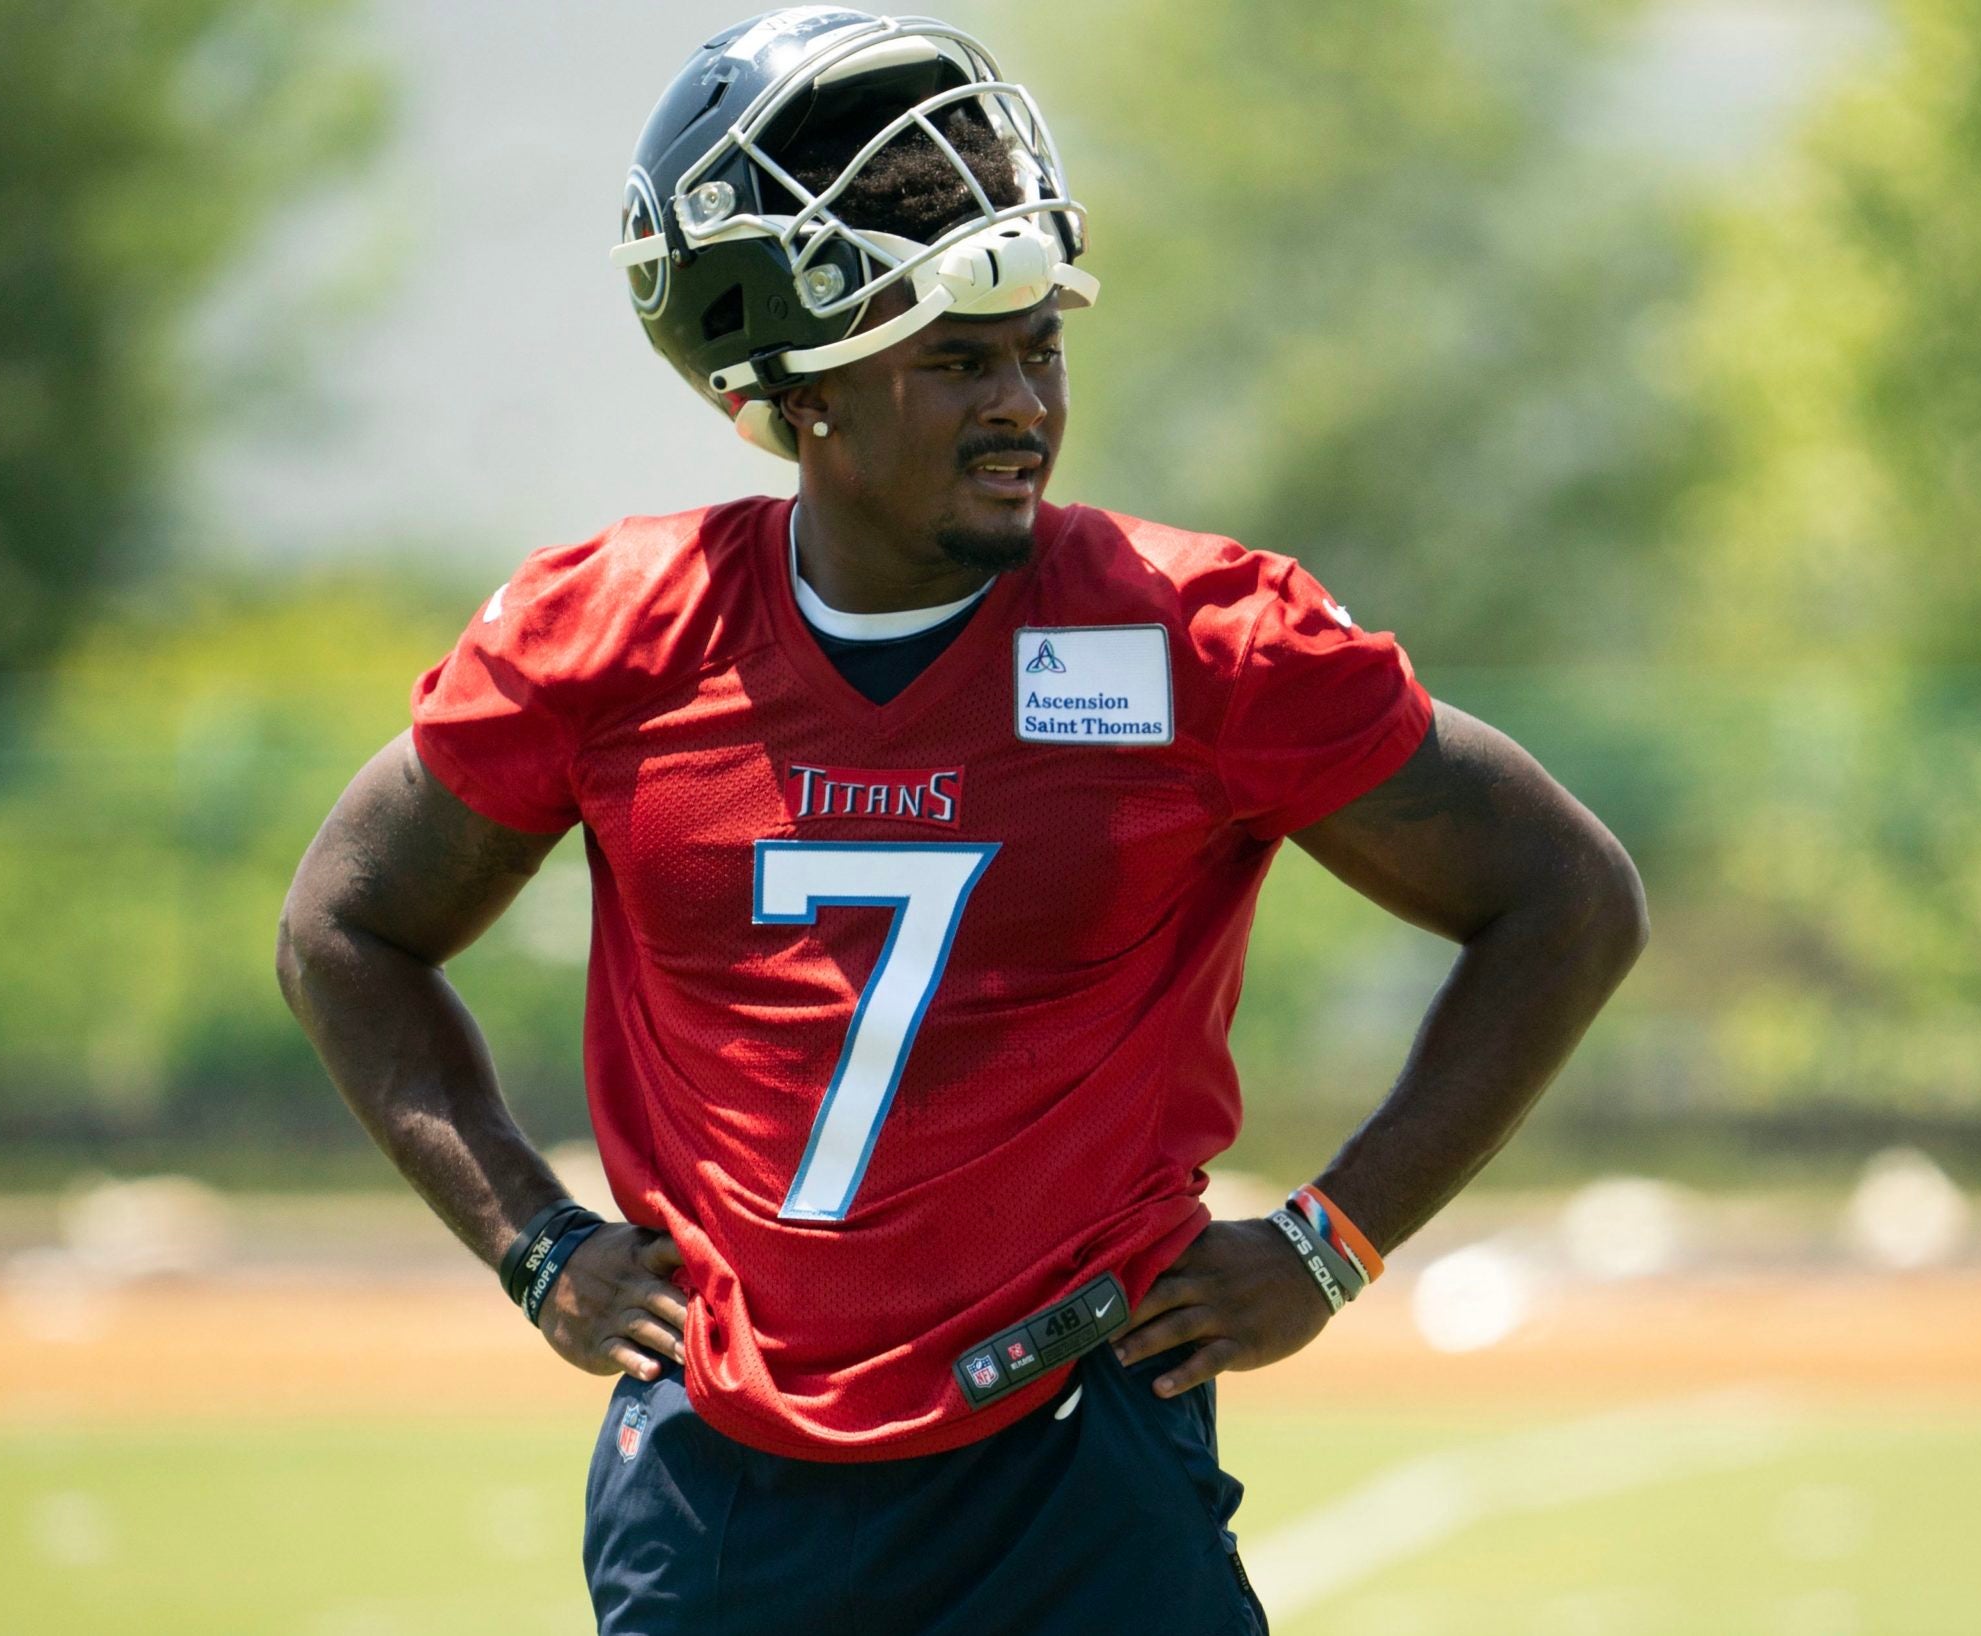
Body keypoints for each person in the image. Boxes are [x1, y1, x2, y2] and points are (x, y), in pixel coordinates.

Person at [275, 10, 1647, 1634]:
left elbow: (1567, 897)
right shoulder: (615, 639)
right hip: (724, 1480)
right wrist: (533, 1245)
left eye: (1039, 346)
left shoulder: (1192, 639)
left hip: (1079, 1455)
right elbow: (342, 929)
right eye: (954, 358)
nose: (1022, 405)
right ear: (799, 397)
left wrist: (1333, 1241)